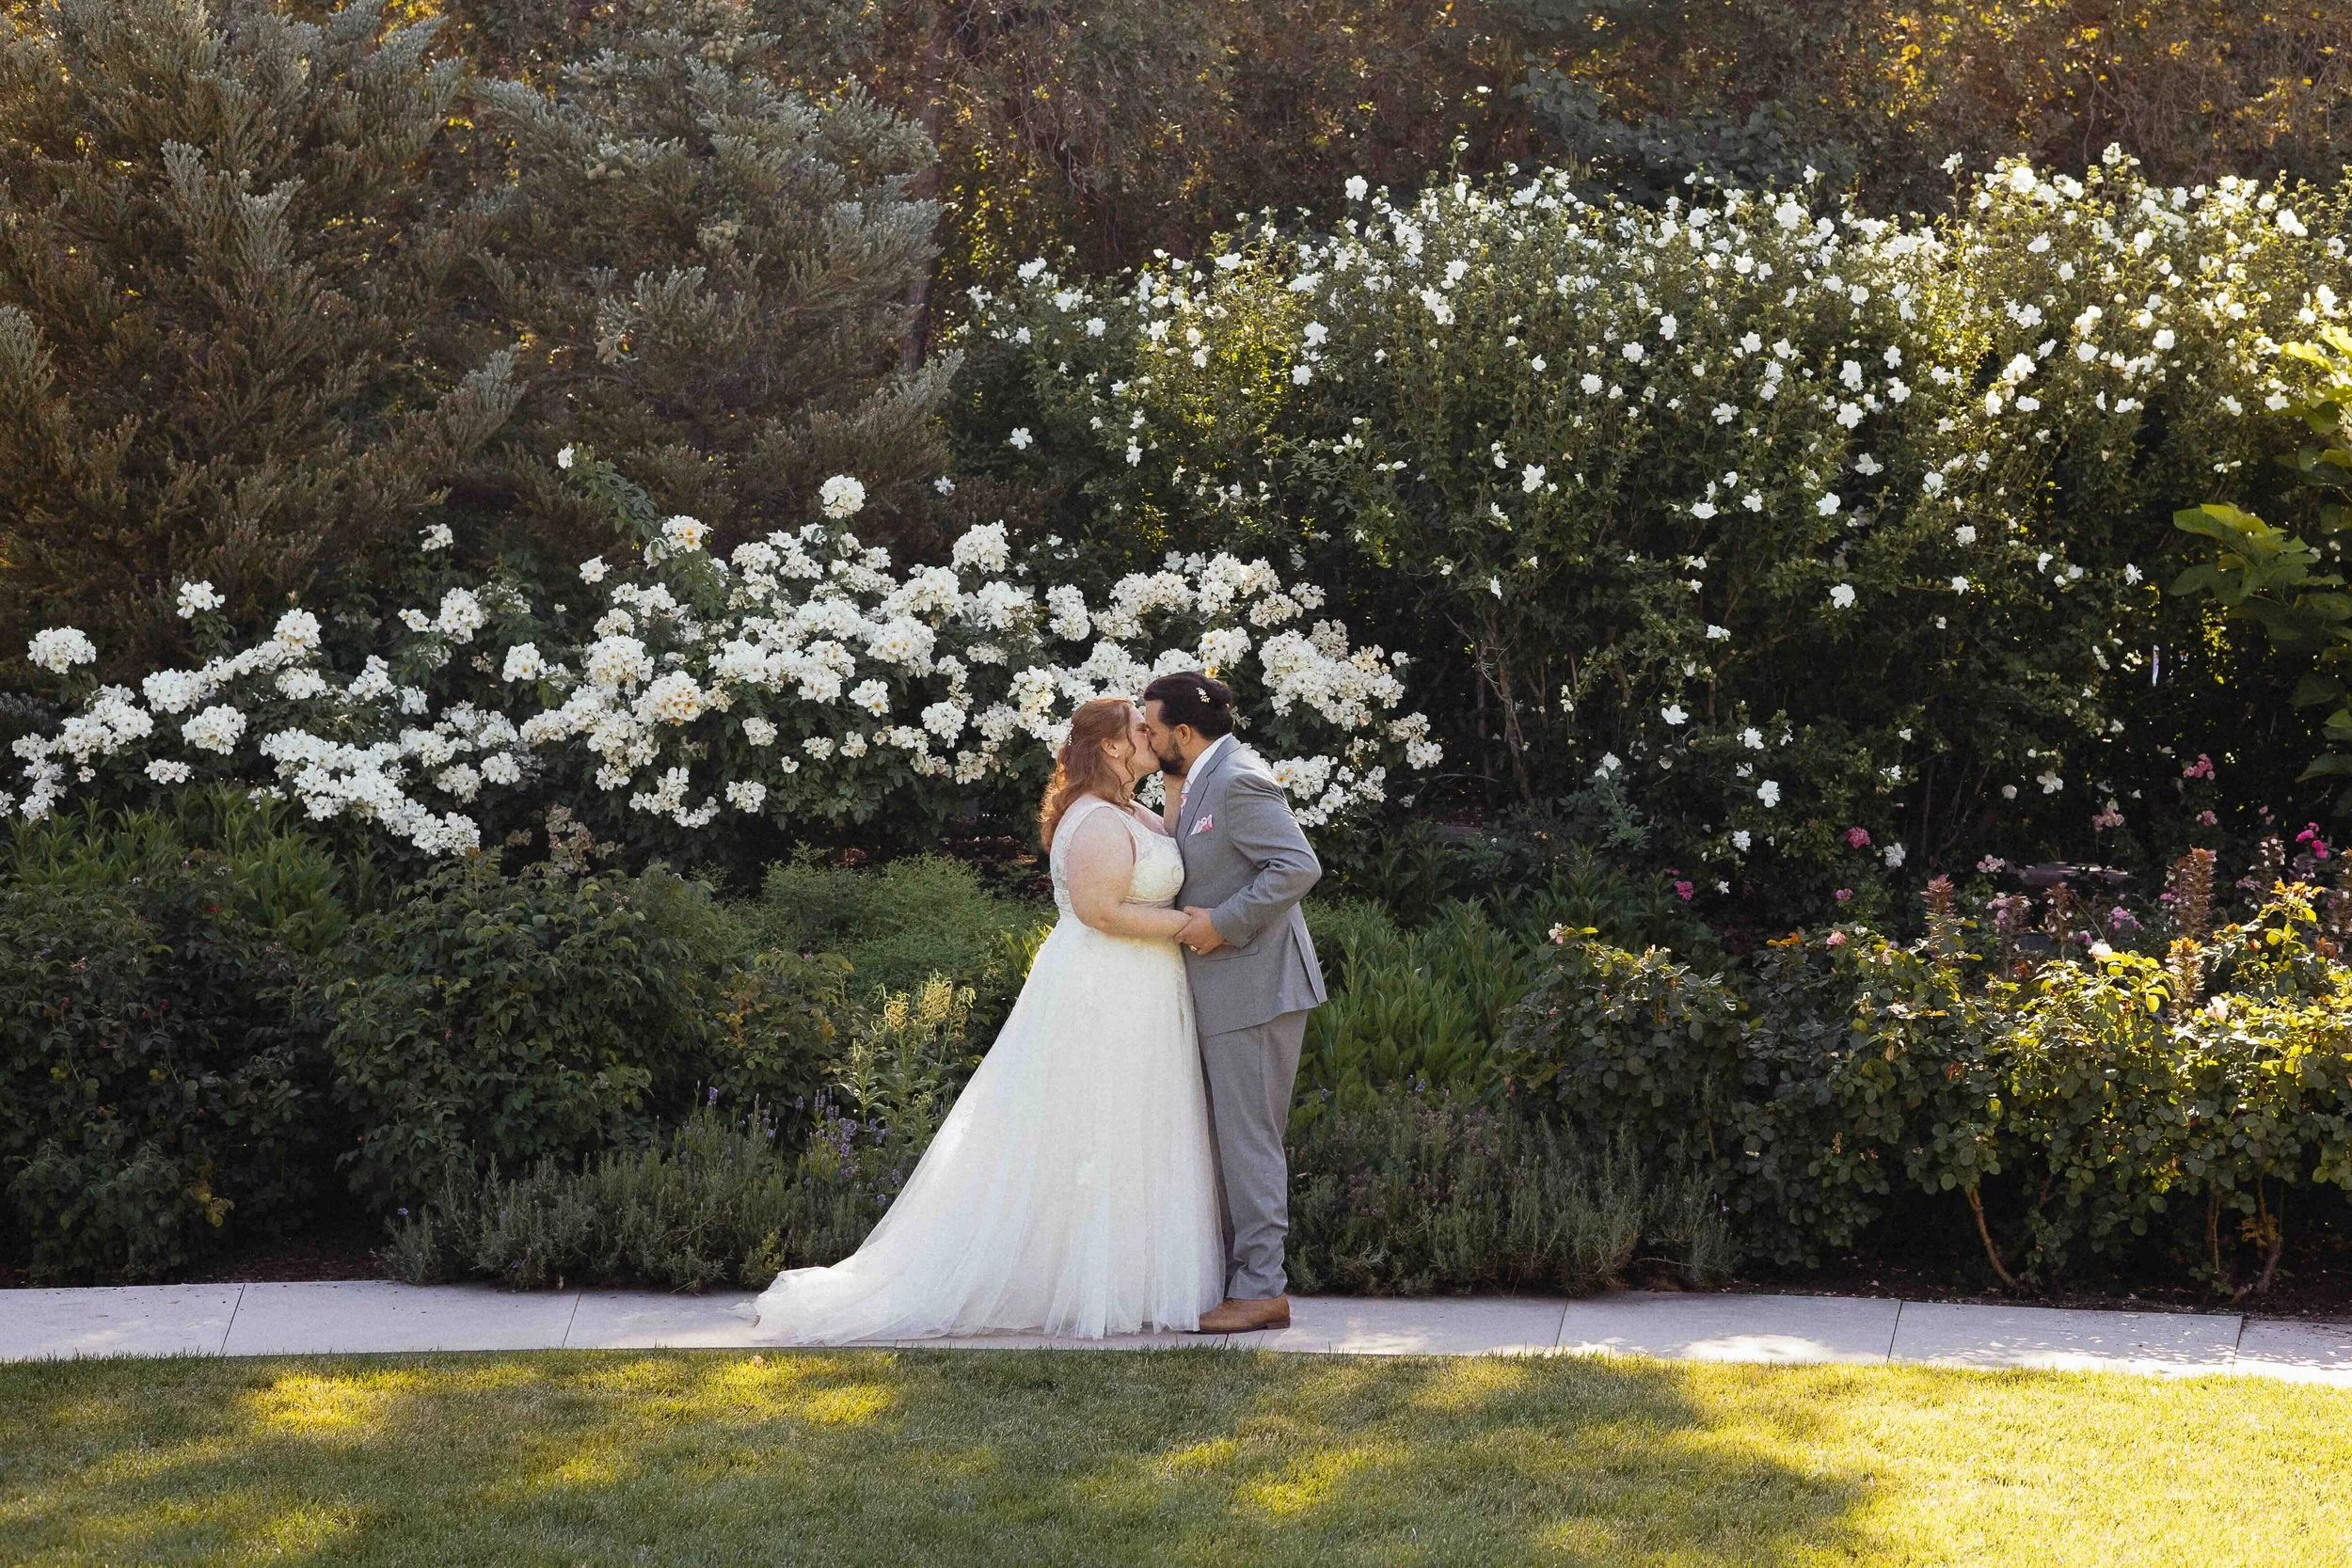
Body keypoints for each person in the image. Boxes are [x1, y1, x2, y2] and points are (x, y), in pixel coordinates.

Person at [753, 696, 1223, 1342]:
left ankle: (1126, 1275)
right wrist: (1190, 926)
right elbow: (1100, 909)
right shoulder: (1092, 822)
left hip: (1144, 988)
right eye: (1140, 729)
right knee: (1090, 1125)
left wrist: (1174, 781)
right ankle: (1075, 1281)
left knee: (1135, 1123)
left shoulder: (1130, 809)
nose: (1152, 734)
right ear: (1113, 746)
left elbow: (1167, 847)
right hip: (1103, 986)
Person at [1139, 671, 1327, 1335]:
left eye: (1153, 728)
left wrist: (1222, 922)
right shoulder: (1199, 778)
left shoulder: (1240, 779)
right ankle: (1239, 1277)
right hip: (1229, 990)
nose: (1146, 736)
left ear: (1183, 733)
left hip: (1257, 985)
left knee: (1249, 1141)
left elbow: (1298, 867)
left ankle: (1262, 1288)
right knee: (1231, 1139)